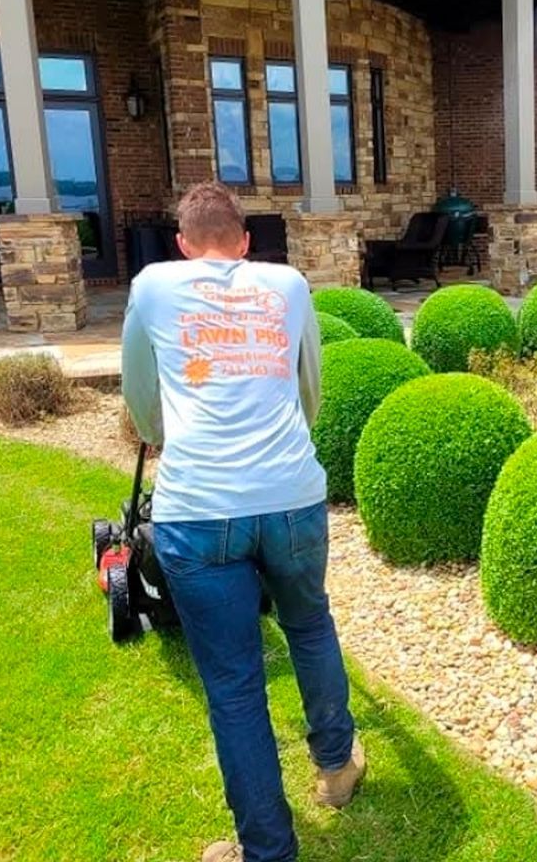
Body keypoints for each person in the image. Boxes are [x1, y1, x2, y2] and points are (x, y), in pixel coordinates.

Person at [122, 181, 365, 862]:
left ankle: (268, 851)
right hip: (291, 496)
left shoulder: (152, 285)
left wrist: (161, 435)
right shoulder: (286, 284)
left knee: (234, 686)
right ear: (246, 241)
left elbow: (142, 395)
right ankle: (337, 767)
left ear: (181, 244)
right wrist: (286, 450)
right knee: (310, 625)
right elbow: (307, 381)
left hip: (197, 511)